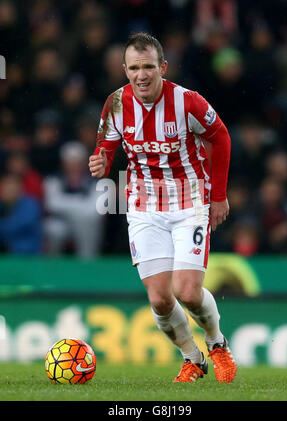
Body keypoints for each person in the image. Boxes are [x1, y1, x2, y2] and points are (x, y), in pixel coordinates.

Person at [89, 32, 237, 383]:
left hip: (190, 200)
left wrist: (219, 195)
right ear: (125, 69)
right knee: (159, 300)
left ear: (163, 68)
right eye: (135, 68)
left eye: (149, 67)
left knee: (187, 291)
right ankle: (192, 358)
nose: (142, 75)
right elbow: (106, 143)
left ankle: (217, 344)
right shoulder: (115, 103)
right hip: (143, 205)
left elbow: (221, 137)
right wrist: (102, 161)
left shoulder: (187, 102)